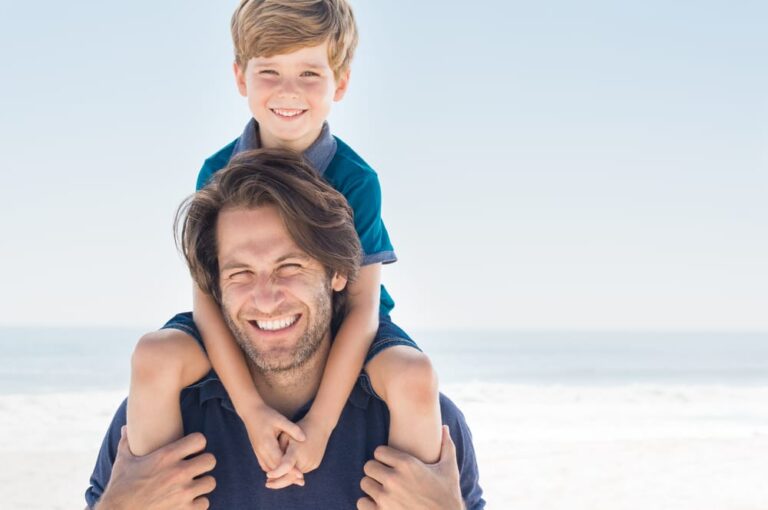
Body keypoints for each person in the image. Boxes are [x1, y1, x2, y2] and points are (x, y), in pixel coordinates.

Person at [127, 0, 442, 487]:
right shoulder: (216, 171)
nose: (288, 91)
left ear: (340, 82)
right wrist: (251, 411)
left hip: (341, 325)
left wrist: (320, 425)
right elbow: (208, 299)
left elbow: (362, 309)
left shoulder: (357, 179)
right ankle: (160, 492)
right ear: (240, 78)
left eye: (310, 73)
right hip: (245, 320)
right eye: (269, 71)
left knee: (413, 377)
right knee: (154, 357)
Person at [85, 150, 484, 509]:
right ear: (215, 289)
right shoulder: (166, 410)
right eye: (240, 273)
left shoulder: (422, 418)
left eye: (290, 267)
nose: (265, 297)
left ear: (339, 273)